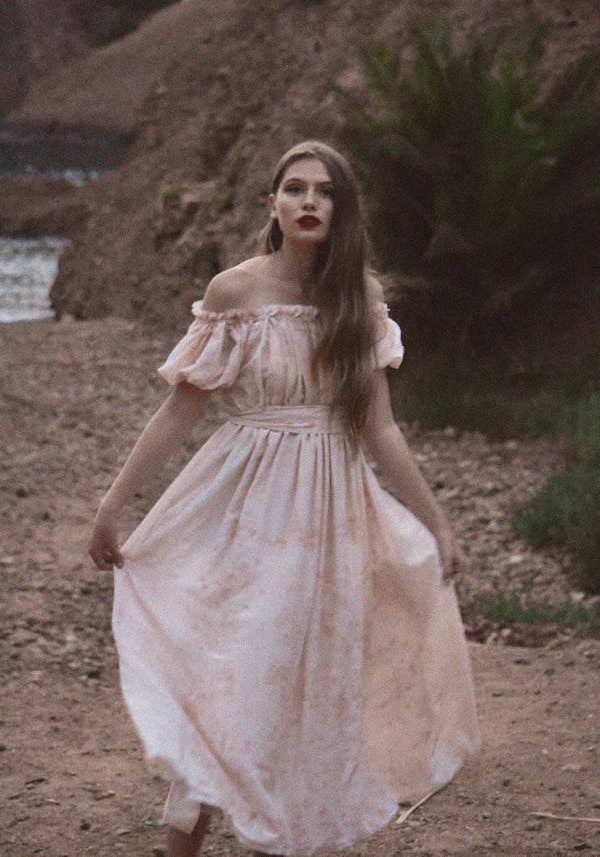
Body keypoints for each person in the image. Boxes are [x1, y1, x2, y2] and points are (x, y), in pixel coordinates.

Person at [89, 140, 480, 857]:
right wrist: (113, 505)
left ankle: (295, 836)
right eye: (295, 189)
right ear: (272, 204)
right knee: (236, 674)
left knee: (318, 680)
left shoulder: (359, 298)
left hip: (333, 508)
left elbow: (382, 428)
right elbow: (180, 410)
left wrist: (438, 523)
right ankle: (183, 841)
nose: (309, 202)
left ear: (341, 209)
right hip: (248, 503)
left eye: (324, 192)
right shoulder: (235, 292)